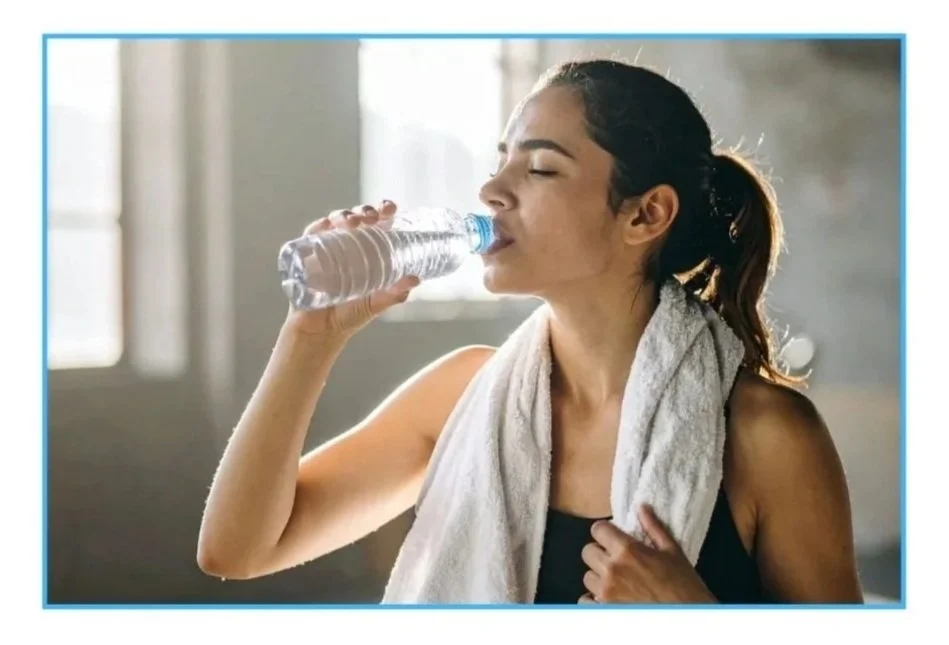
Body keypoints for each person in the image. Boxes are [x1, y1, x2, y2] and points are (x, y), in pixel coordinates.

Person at [196, 58, 864, 604]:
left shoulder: (768, 434)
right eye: (501, 160)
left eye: (539, 167)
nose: (491, 188)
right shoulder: (461, 393)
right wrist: (309, 337)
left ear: (645, 214)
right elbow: (238, 548)